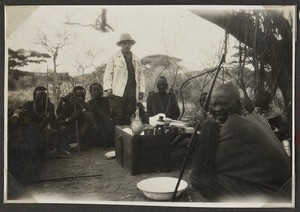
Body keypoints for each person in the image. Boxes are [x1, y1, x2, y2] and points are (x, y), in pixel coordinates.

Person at [189, 84, 291, 202]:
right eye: (214, 104)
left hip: (278, 196)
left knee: (196, 177)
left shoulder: (234, 125)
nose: (217, 109)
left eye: (223, 104)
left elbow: (203, 166)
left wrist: (208, 126)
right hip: (284, 187)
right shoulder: (255, 117)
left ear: (239, 104)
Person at [103, 33, 145, 125]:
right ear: (121, 44)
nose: (127, 46)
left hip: (132, 91)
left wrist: (141, 90)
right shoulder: (114, 57)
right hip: (118, 91)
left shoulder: (136, 59)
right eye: (125, 43)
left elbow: (141, 75)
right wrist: (108, 88)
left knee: (129, 116)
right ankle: (116, 138)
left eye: (129, 43)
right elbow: (108, 73)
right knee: (117, 116)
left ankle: (127, 137)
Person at [87, 83, 114, 147]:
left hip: (107, 123)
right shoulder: (89, 103)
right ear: (91, 93)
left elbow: (111, 112)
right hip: (96, 125)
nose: (97, 91)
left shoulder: (107, 100)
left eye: (98, 89)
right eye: (94, 90)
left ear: (102, 91)